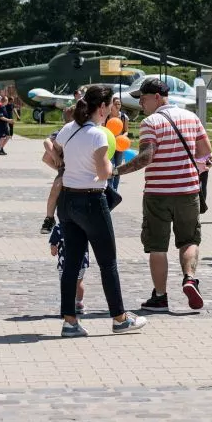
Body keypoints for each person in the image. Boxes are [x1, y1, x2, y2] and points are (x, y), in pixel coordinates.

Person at [50, 85, 146, 337]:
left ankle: (69, 321)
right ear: (102, 108)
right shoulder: (99, 135)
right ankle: (119, 317)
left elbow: (52, 148)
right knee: (107, 262)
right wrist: (115, 171)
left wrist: (63, 165)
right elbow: (104, 172)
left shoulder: (69, 128)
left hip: (67, 201)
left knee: (71, 263)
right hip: (92, 201)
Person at [114, 78, 212, 313]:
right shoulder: (191, 117)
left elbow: (146, 156)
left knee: (157, 246)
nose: (141, 103)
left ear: (157, 97)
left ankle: (160, 297)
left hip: (158, 193)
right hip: (188, 191)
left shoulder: (151, 122)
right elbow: (206, 151)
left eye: (144, 98)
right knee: (189, 240)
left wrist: (117, 171)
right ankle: (189, 278)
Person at [50, 218, 88, 314]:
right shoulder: (84, 225)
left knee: (65, 283)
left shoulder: (59, 227)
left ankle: (66, 305)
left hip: (65, 262)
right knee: (79, 281)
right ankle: (79, 303)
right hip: (81, 260)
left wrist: (53, 251)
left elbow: (53, 245)